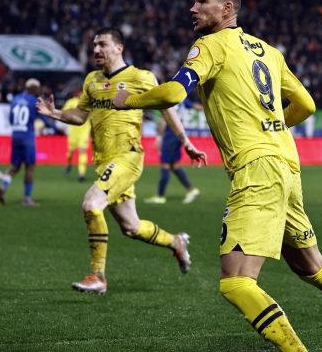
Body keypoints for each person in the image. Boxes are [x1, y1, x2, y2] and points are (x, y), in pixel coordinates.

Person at [113, 0, 322, 351]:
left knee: (236, 282)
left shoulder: (210, 45)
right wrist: (271, 127)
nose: (192, 8)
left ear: (227, 8)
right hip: (286, 166)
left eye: (202, 1)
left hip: (256, 170)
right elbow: (307, 105)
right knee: (311, 265)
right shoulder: (269, 51)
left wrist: (129, 100)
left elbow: (173, 93)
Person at [36, 27, 207, 296]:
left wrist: (186, 141)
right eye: (94, 45)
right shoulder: (92, 80)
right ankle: (176, 242)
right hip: (104, 162)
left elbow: (166, 108)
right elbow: (80, 116)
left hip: (128, 156)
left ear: (119, 48)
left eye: (102, 44)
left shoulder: (140, 77)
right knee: (131, 227)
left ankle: (98, 276)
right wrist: (55, 113)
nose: (96, 50)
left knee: (91, 204)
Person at [144, 98, 202, 204]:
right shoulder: (182, 99)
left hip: (170, 134)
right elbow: (195, 107)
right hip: (179, 134)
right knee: (174, 165)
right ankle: (191, 190)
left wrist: (159, 138)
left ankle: (160, 196)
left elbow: (164, 119)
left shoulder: (169, 99)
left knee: (165, 165)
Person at [0, 79, 44, 207]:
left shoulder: (16, 98)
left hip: (16, 136)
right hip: (27, 137)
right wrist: (57, 128)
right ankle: (26, 198)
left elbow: (11, 119)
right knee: (29, 167)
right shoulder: (34, 101)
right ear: (34, 88)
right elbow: (44, 117)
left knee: (15, 166)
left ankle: (3, 185)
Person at [62, 90, 91, 182]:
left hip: (84, 131)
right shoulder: (71, 102)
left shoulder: (89, 102)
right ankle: (69, 164)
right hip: (73, 131)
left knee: (83, 151)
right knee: (71, 152)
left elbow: (92, 114)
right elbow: (64, 112)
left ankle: (81, 174)